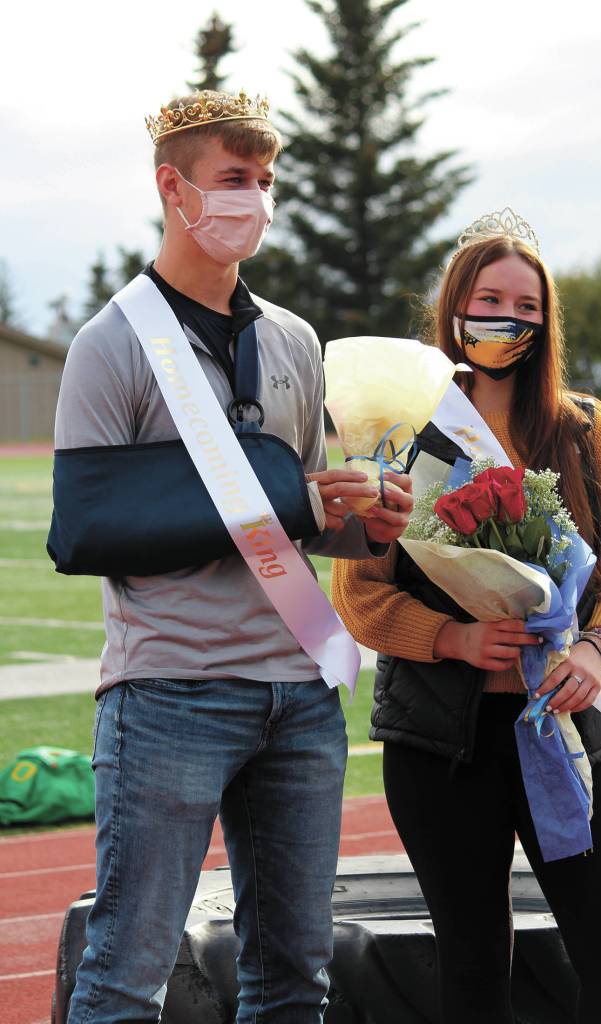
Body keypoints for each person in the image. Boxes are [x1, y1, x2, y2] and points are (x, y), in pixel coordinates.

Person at [55, 89, 413, 1024]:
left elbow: (303, 516)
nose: (252, 199)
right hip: (170, 692)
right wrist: (293, 500)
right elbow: (87, 530)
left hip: (299, 696)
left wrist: (365, 522)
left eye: (263, 180)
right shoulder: (111, 344)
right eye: (231, 181)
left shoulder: (292, 338)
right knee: (125, 975)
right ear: (174, 189)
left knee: (296, 978)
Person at [332, 208, 601, 1024]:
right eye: (488, 299)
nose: (506, 319)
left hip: (566, 734)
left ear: (544, 321)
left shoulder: (586, 432)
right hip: (442, 744)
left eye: (525, 306)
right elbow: (360, 593)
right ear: (452, 308)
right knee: (473, 975)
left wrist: (590, 649)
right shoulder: (401, 434)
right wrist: (452, 636)